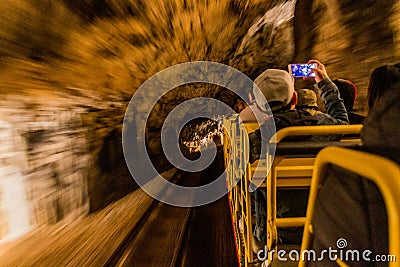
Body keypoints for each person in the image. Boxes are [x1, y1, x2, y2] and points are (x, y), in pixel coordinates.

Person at [247, 60, 349, 250]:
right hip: (321, 226)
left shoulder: (253, 142)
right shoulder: (322, 126)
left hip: (274, 235)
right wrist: (324, 82)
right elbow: (343, 122)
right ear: (295, 99)